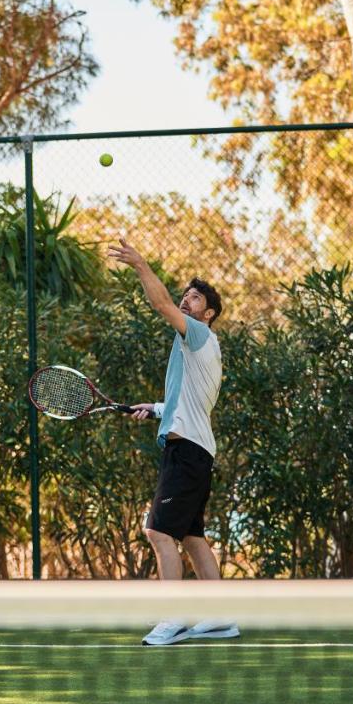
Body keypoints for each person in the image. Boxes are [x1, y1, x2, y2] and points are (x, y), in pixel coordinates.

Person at [107, 236, 239, 646]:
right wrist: (156, 408)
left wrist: (140, 264)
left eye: (195, 298)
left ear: (209, 313)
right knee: (192, 537)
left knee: (158, 533)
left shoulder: (198, 335)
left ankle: (174, 617)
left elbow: (160, 304)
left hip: (187, 455)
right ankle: (218, 617)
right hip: (195, 451)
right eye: (186, 295)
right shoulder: (198, 350)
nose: (186, 300)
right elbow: (190, 402)